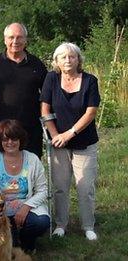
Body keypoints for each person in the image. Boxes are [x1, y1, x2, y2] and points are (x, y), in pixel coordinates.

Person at [41, 42, 100, 241]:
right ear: (57, 61)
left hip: (85, 141)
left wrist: (69, 134)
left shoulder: (90, 80)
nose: (68, 60)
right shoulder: (51, 78)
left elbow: (91, 112)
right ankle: (60, 224)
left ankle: (88, 225)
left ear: (78, 59)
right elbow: (45, 110)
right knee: (60, 186)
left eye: (72, 56)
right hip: (58, 142)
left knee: (85, 186)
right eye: (63, 57)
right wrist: (56, 134)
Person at [0, 22, 47, 157]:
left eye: (19, 37)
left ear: (26, 40)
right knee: (0, 174)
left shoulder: (37, 64)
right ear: (5, 40)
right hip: (1, 132)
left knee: (29, 174)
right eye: (11, 37)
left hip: (30, 133)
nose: (15, 41)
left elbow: (47, 96)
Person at [0, 119, 50, 253]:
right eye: (5, 139)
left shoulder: (32, 159)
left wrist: (26, 207)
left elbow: (43, 190)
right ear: (0, 141)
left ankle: (28, 243)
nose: (10, 143)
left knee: (41, 222)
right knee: (10, 249)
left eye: (14, 139)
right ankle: (13, 238)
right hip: (0, 209)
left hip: (26, 205)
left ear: (20, 140)